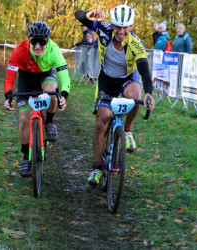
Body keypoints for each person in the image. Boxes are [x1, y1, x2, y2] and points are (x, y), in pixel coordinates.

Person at [75, 4, 156, 186]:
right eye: (118, 26)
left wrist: (149, 93)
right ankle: (96, 166)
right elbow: (79, 16)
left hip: (127, 79)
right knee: (101, 121)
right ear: (111, 25)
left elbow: (144, 72)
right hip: (107, 81)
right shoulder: (103, 30)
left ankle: (127, 130)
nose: (121, 31)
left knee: (136, 95)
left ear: (131, 26)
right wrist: (88, 15)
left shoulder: (136, 44)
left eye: (125, 27)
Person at [3, 21, 70, 177]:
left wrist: (64, 95)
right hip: (26, 79)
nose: (38, 46)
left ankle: (49, 122)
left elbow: (64, 77)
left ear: (48, 41)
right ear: (28, 40)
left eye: (43, 42)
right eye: (34, 42)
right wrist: (8, 96)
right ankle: (26, 157)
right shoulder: (20, 50)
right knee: (25, 120)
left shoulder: (54, 50)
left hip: (46, 76)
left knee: (52, 93)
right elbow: (9, 79)